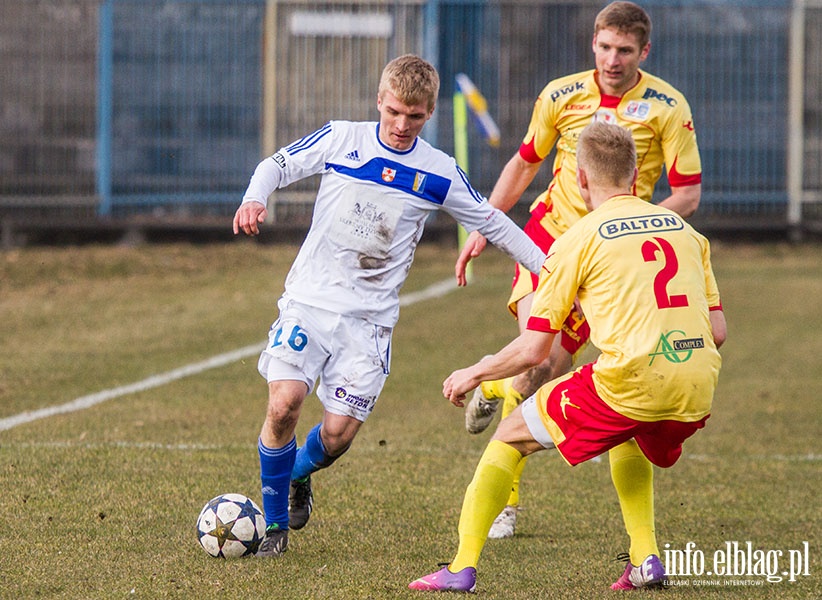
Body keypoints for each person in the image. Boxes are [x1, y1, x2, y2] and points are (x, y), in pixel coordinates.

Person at [232, 54, 546, 557]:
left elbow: (492, 221)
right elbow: (277, 165)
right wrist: (255, 198)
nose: (402, 126)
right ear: (380, 101)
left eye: (415, 116)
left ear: (430, 113)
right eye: (395, 112)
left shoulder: (439, 171)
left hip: (369, 322)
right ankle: (273, 530)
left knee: (336, 437)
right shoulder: (342, 138)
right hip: (308, 303)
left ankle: (296, 474)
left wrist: (546, 267)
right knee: (284, 402)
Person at [409, 121, 726, 592]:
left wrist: (473, 372)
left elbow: (535, 350)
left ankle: (460, 568)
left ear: (580, 180)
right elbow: (718, 331)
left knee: (509, 437)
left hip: (630, 380)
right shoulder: (686, 232)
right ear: (636, 174)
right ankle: (646, 559)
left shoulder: (575, 240)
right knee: (628, 432)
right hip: (698, 386)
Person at [457, 0, 703, 539]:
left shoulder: (667, 106)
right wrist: (485, 223)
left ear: (644, 51)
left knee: (544, 373)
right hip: (547, 243)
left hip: (610, 259)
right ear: (593, 44)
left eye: (625, 50)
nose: (613, 59)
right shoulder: (560, 94)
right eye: (605, 47)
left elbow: (687, 193)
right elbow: (525, 162)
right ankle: (505, 502)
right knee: (536, 352)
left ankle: (493, 384)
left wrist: (637, 229)